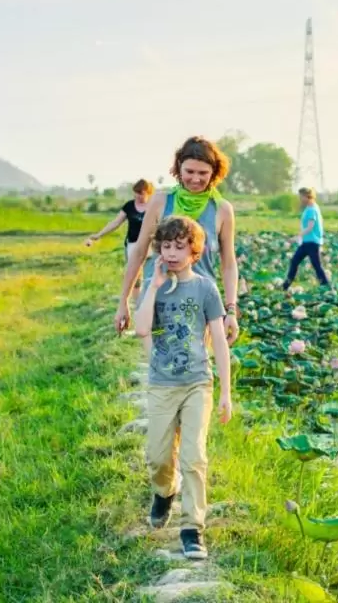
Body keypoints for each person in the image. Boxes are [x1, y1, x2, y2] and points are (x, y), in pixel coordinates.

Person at [134, 216, 233, 560]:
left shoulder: (205, 288)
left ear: (194, 251)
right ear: (159, 249)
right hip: (162, 383)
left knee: (193, 457)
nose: (172, 253)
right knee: (158, 457)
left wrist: (225, 392)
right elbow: (142, 330)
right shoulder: (154, 283)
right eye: (166, 246)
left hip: (197, 383)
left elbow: (219, 340)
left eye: (180, 247)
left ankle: (193, 528)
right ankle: (164, 492)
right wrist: (153, 286)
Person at [115, 137, 240, 345]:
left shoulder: (222, 209)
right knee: (161, 370)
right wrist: (123, 303)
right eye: (190, 171)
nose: (196, 179)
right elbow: (138, 253)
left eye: (203, 173)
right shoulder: (160, 201)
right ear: (179, 168)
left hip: (200, 302)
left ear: (214, 173)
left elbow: (228, 264)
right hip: (158, 299)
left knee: (197, 370)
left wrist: (231, 310)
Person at [86, 179, 154, 300]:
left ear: (148, 193)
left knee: (151, 276)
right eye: (136, 193)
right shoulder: (129, 206)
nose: (138, 196)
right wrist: (99, 235)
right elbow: (116, 222)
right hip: (133, 245)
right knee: (134, 277)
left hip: (151, 246)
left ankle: (150, 304)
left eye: (141, 193)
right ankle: (137, 304)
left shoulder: (154, 206)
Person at [283, 187, 330, 290]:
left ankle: (327, 287)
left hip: (312, 243)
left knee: (317, 266)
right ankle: (285, 285)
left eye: (301, 196)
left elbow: (310, 227)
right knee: (295, 261)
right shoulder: (310, 208)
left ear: (307, 196)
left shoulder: (312, 209)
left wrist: (296, 237)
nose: (300, 199)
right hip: (306, 242)